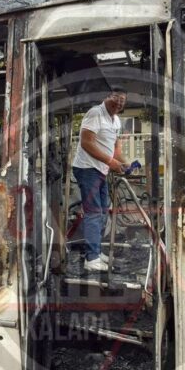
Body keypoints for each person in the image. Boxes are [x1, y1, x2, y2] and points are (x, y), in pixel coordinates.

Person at [72, 87, 129, 272]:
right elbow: (86, 142)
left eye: (121, 103)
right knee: (94, 212)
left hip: (101, 170)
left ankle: (95, 251)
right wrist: (111, 162)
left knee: (103, 211)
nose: (118, 104)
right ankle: (92, 259)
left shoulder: (116, 120)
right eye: (115, 100)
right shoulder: (95, 113)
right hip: (87, 168)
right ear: (107, 97)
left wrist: (125, 164)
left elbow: (115, 148)